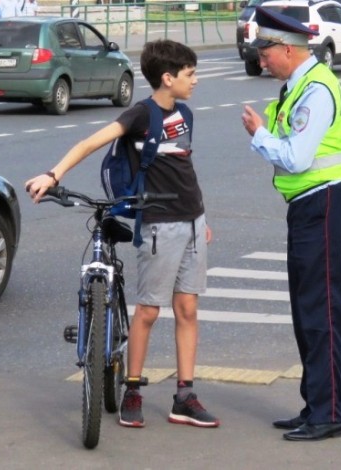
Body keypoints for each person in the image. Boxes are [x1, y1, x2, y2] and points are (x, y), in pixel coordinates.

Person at [25, 39, 219, 429]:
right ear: (168, 78)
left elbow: (185, 168)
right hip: (160, 224)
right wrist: (53, 174)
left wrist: (203, 217)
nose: (195, 80)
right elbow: (89, 143)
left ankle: (185, 396)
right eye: (190, 74)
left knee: (188, 309)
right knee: (148, 311)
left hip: (193, 222)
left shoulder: (186, 113)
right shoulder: (140, 115)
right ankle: (132, 389)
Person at [241, 7, 341, 441]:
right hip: (311, 202)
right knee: (306, 308)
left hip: (325, 200)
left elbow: (295, 157)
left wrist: (258, 133)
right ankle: (316, 405)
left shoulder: (316, 90)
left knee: (319, 309)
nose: (261, 59)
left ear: (287, 49)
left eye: (265, 51)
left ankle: (327, 414)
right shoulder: (298, 86)